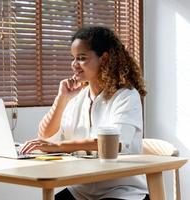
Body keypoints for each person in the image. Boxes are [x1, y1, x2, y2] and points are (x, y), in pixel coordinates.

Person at [20, 26, 149, 200]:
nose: (74, 65)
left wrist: (59, 147)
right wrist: (62, 99)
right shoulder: (79, 97)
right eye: (73, 58)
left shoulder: (126, 95)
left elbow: (115, 143)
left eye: (81, 58)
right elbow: (46, 136)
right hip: (81, 191)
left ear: (104, 59)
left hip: (121, 190)